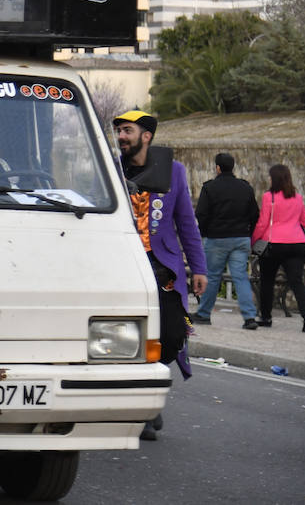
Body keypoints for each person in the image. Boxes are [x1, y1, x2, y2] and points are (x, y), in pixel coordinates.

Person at [113, 109, 206, 441]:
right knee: (126, 340)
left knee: (168, 337)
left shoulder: (174, 172)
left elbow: (187, 223)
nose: (121, 137)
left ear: (146, 135)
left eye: (127, 131)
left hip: (162, 269)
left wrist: (199, 267)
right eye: (119, 132)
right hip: (120, 268)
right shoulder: (110, 169)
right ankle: (144, 409)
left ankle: (148, 398)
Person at [192, 153, 260, 329]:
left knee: (213, 277)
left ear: (218, 168)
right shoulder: (245, 187)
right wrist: (248, 233)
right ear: (233, 167)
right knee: (241, 277)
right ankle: (249, 317)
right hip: (241, 238)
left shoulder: (210, 187)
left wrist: (206, 233)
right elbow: (255, 214)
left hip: (217, 238)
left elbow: (201, 214)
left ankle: (204, 313)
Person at [252, 164, 305, 332]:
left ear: (274, 179)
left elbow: (263, 223)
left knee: (267, 281)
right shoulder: (298, 197)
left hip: (274, 244)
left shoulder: (269, 197)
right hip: (297, 244)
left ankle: (266, 316)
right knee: (296, 282)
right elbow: (304, 221)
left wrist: (254, 240)